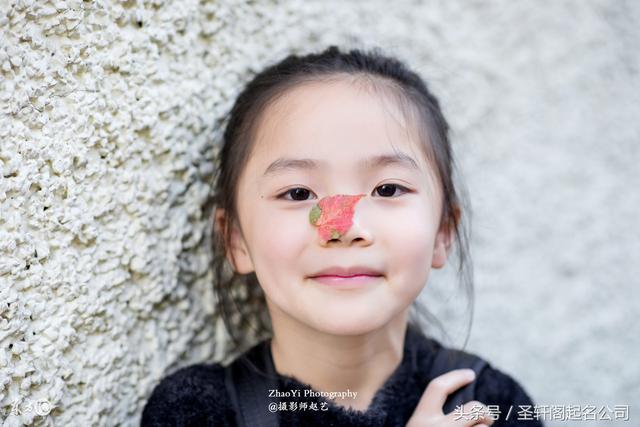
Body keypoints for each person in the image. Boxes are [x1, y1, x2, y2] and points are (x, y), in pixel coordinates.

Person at [141, 45, 544, 427]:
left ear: (442, 232)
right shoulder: (197, 410)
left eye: (387, 190)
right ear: (237, 241)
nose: (344, 229)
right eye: (298, 193)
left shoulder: (489, 403)